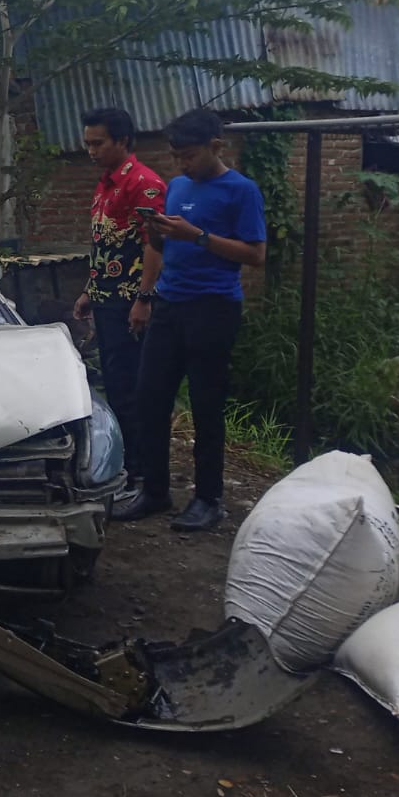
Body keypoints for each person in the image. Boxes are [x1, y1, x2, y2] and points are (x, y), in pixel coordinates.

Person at [113, 109, 266, 532]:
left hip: (213, 307)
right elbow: (164, 246)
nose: (182, 164)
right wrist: (157, 236)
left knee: (206, 403)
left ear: (216, 146)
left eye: (190, 156)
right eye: (176, 156)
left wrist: (197, 235)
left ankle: (208, 498)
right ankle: (155, 491)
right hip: (169, 304)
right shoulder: (178, 186)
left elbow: (255, 254)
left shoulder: (241, 191)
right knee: (150, 397)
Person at [71, 107, 164, 490]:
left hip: (130, 304)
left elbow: (154, 245)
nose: (91, 151)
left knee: (131, 387)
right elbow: (106, 245)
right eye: (88, 144)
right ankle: (127, 465)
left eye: (98, 143)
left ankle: (141, 472)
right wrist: (88, 290)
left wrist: (144, 298)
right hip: (106, 301)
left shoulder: (144, 184)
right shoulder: (106, 184)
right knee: (114, 382)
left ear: (122, 141)